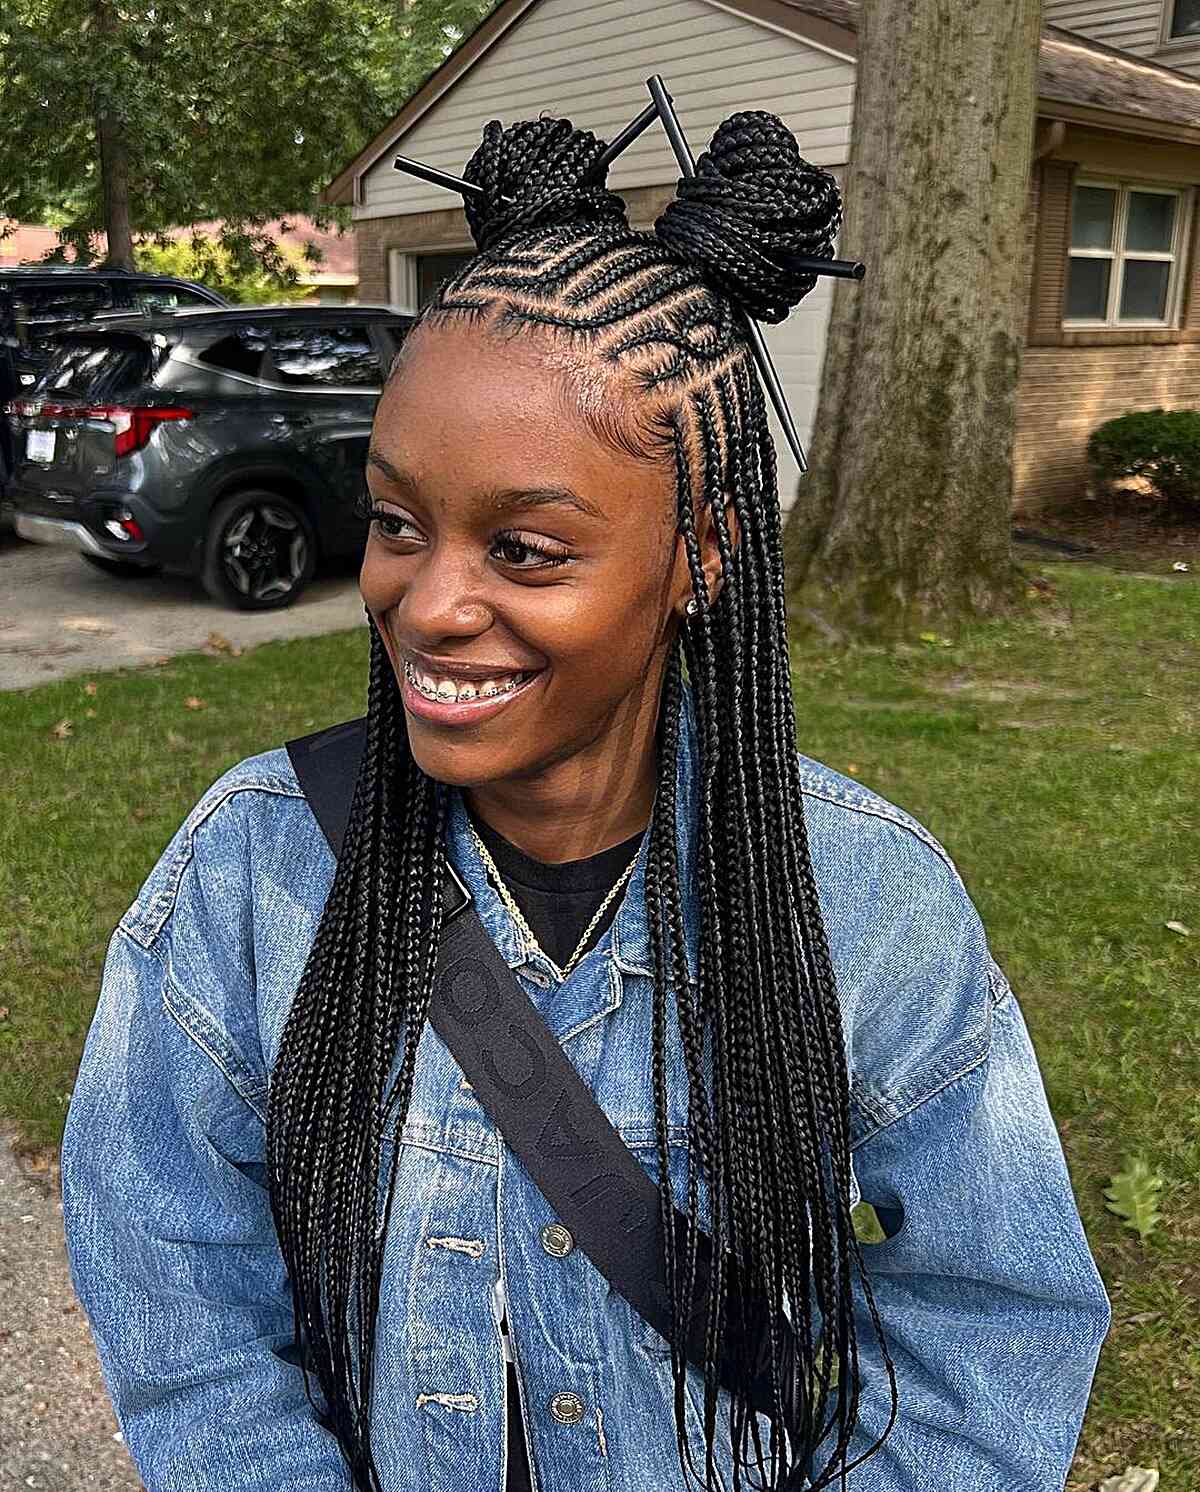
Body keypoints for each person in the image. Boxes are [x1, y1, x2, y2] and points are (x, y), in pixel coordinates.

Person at [61, 110, 1110, 1492]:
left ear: (703, 554)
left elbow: (991, 1322)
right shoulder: (252, 870)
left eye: (525, 547)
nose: (428, 604)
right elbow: (176, 1283)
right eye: (393, 523)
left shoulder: (866, 904)